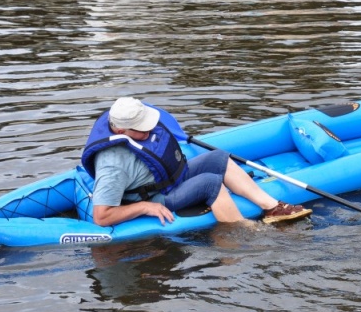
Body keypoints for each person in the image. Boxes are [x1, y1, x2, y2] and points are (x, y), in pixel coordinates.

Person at [81, 97, 312, 227]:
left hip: (171, 177)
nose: (151, 130)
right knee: (211, 183)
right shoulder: (113, 164)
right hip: (156, 196)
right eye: (143, 129)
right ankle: (244, 231)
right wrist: (145, 207)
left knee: (219, 157)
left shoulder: (133, 127)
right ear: (121, 130)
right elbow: (101, 216)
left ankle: (273, 208)